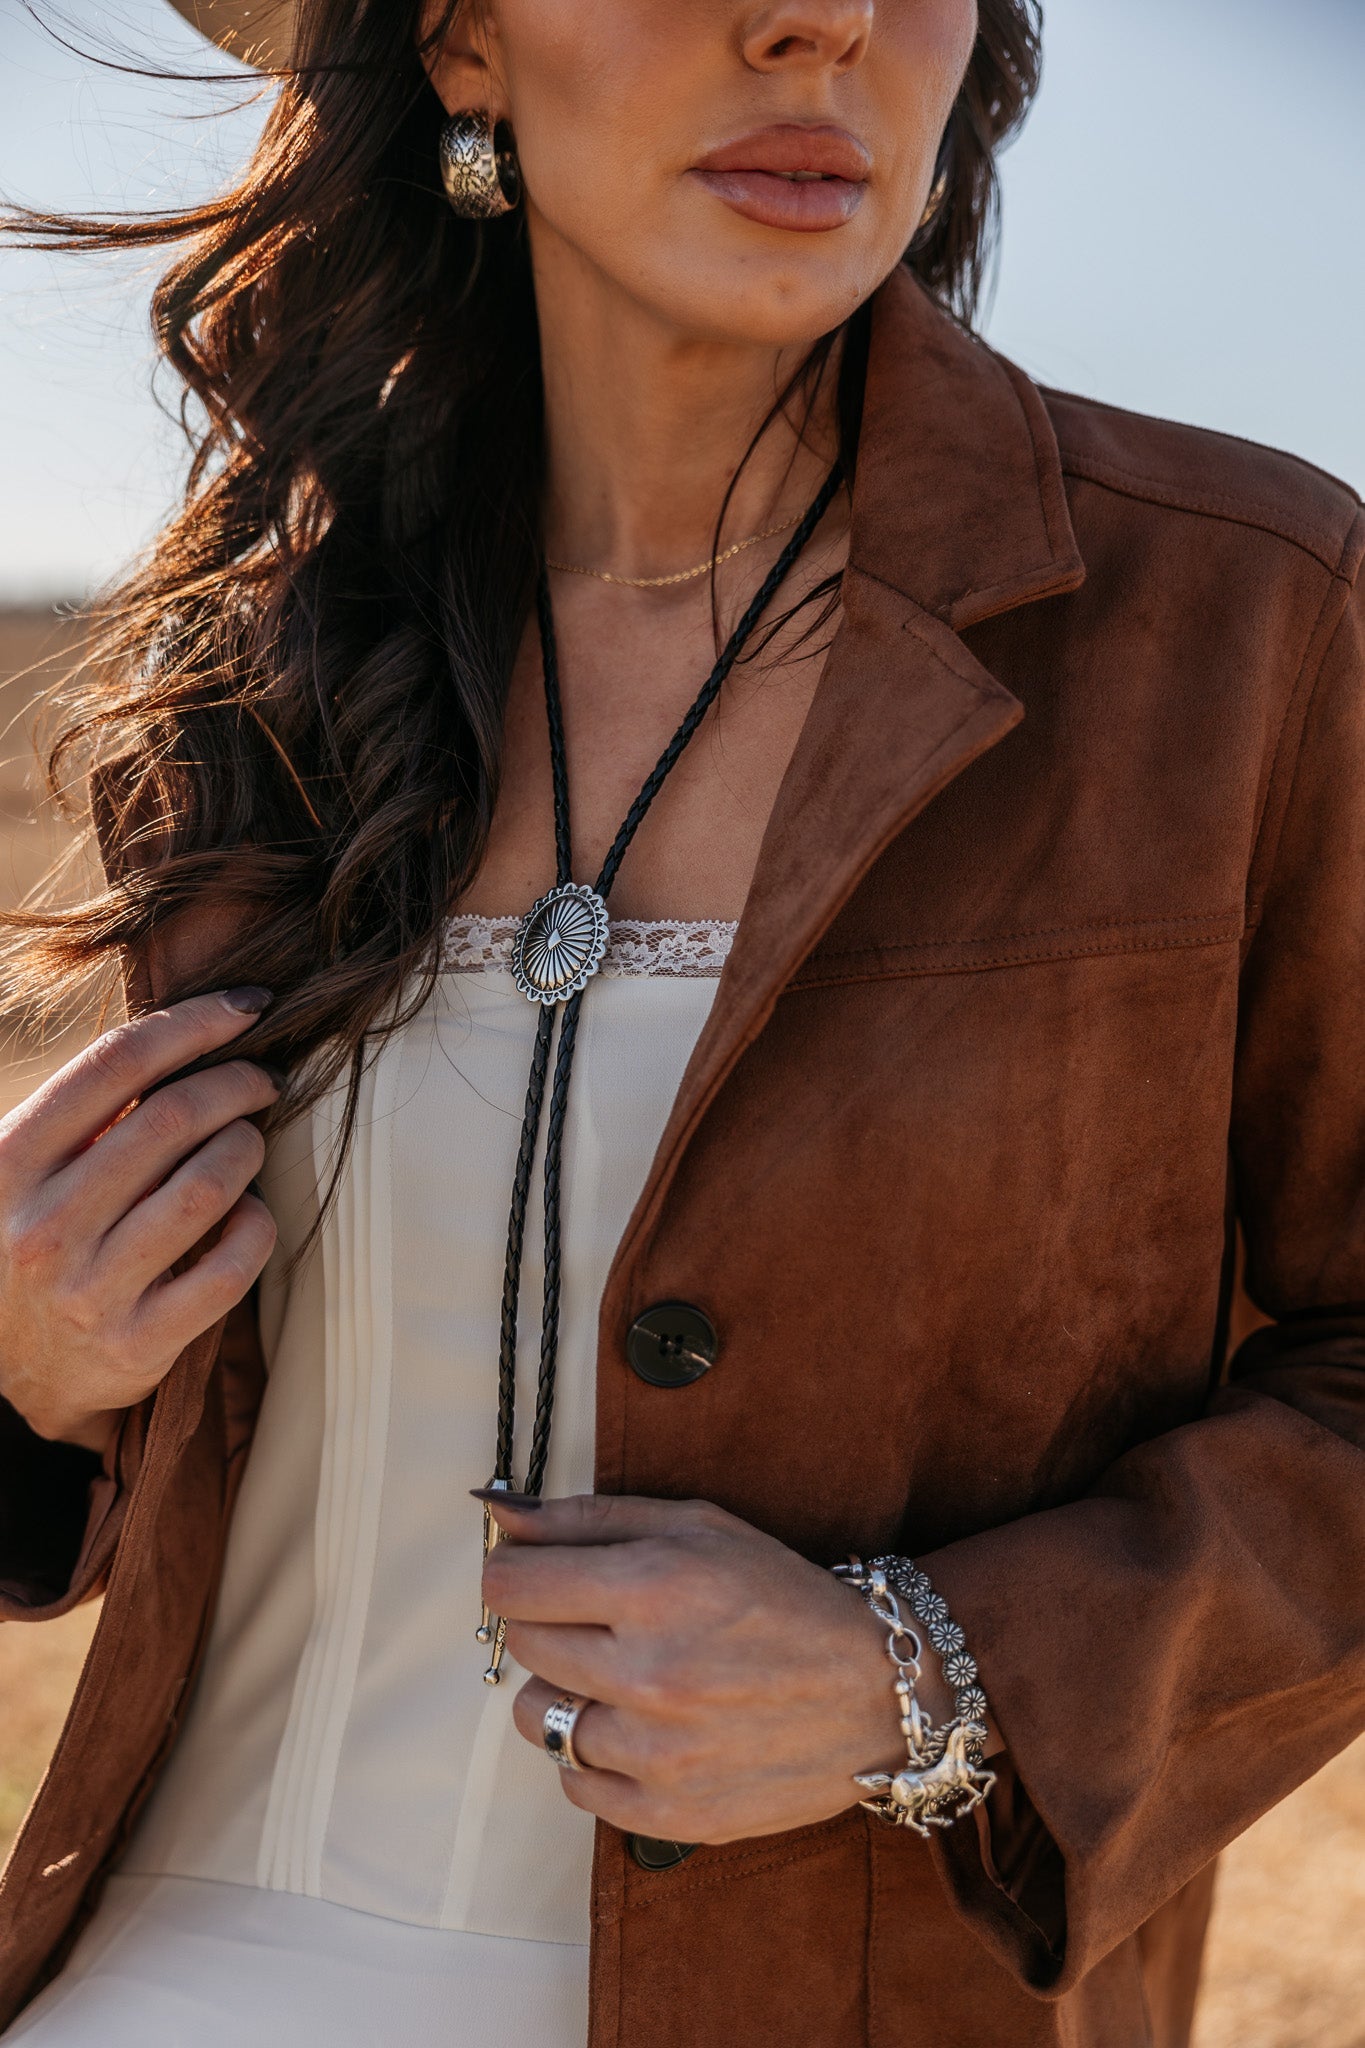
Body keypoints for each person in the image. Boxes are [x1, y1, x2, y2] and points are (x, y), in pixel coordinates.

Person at [1, 0, 1362, 2043]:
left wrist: (929, 1675)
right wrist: (24, 1365)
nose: (811, 20)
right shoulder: (285, 656)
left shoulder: (1248, 619)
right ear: (457, 47)